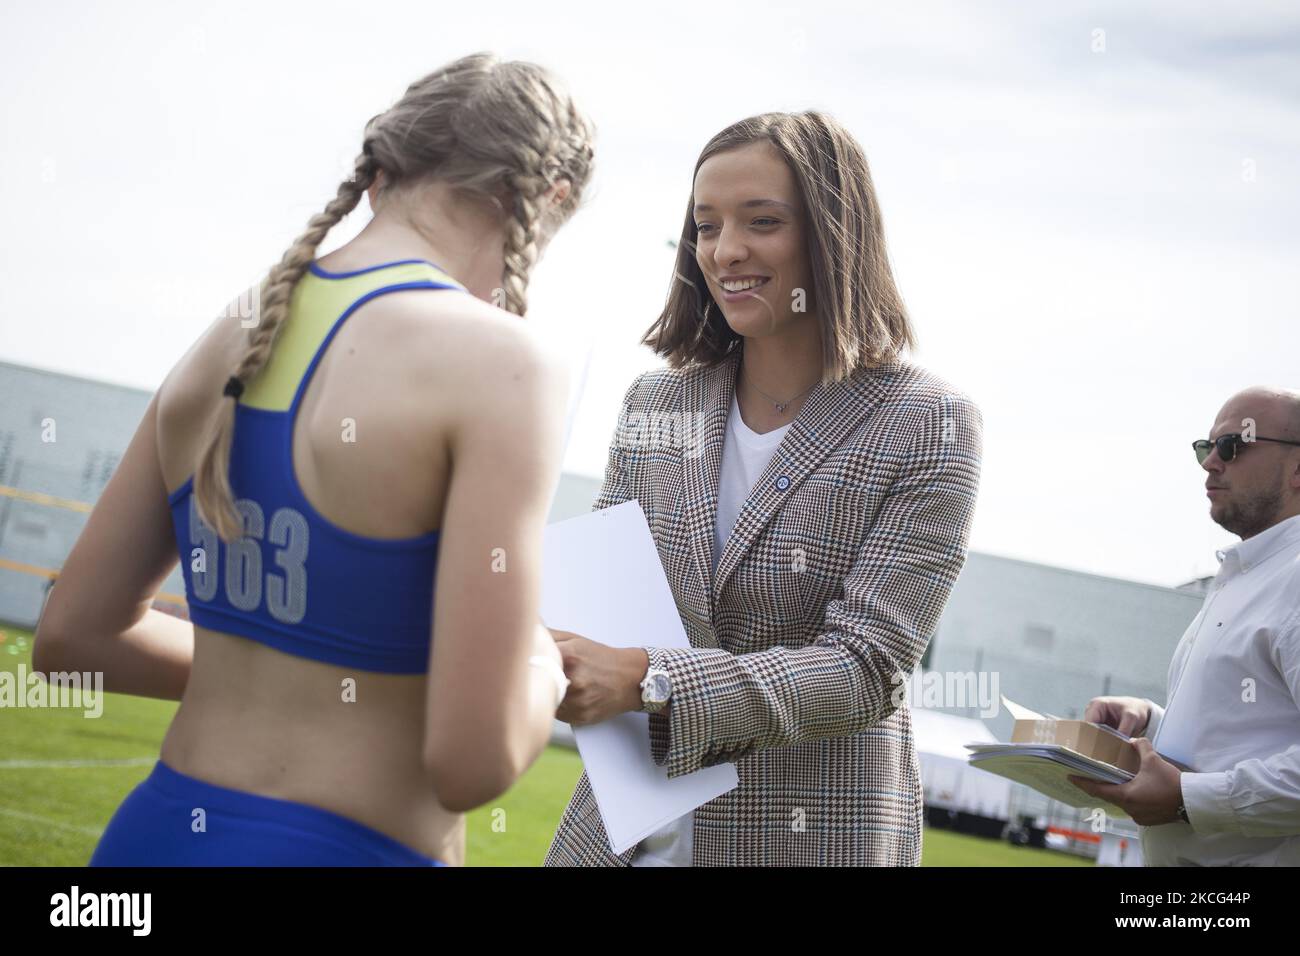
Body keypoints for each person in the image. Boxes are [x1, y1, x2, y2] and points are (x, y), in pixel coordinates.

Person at [32, 52, 595, 866]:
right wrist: (541, 662)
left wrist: (290, 678)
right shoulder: (508, 364)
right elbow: (472, 762)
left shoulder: (230, 331)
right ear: (543, 201)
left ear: (380, 175)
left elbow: (72, 639)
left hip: (148, 841)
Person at [543, 111, 984, 866]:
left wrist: (650, 680)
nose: (725, 250)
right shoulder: (655, 405)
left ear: (834, 234)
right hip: (626, 833)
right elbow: (601, 597)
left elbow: (864, 669)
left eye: (762, 221)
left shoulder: (930, 424)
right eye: (705, 226)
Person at [1075, 386, 1300, 865]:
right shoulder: (1250, 572)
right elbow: (1247, 730)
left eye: (1233, 446)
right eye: (1207, 446)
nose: (1210, 462)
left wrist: (1185, 798)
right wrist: (1150, 725)